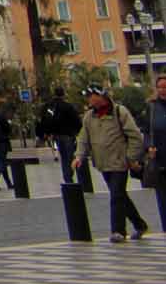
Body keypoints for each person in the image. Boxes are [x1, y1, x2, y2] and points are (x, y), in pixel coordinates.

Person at [69, 84, 148, 243]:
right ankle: (140, 224)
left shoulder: (119, 112)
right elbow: (83, 138)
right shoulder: (89, 116)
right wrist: (79, 156)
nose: (90, 99)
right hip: (103, 163)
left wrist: (130, 157)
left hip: (120, 162)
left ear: (102, 96)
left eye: (92, 95)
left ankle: (118, 231)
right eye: (88, 96)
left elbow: (135, 136)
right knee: (120, 196)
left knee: (116, 195)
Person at [39, 91, 82, 184]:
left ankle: (67, 178)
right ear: (63, 95)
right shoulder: (67, 106)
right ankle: (71, 177)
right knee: (70, 157)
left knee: (64, 157)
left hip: (56, 135)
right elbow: (77, 120)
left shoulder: (49, 106)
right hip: (68, 134)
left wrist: (46, 133)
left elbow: (43, 120)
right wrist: (77, 131)